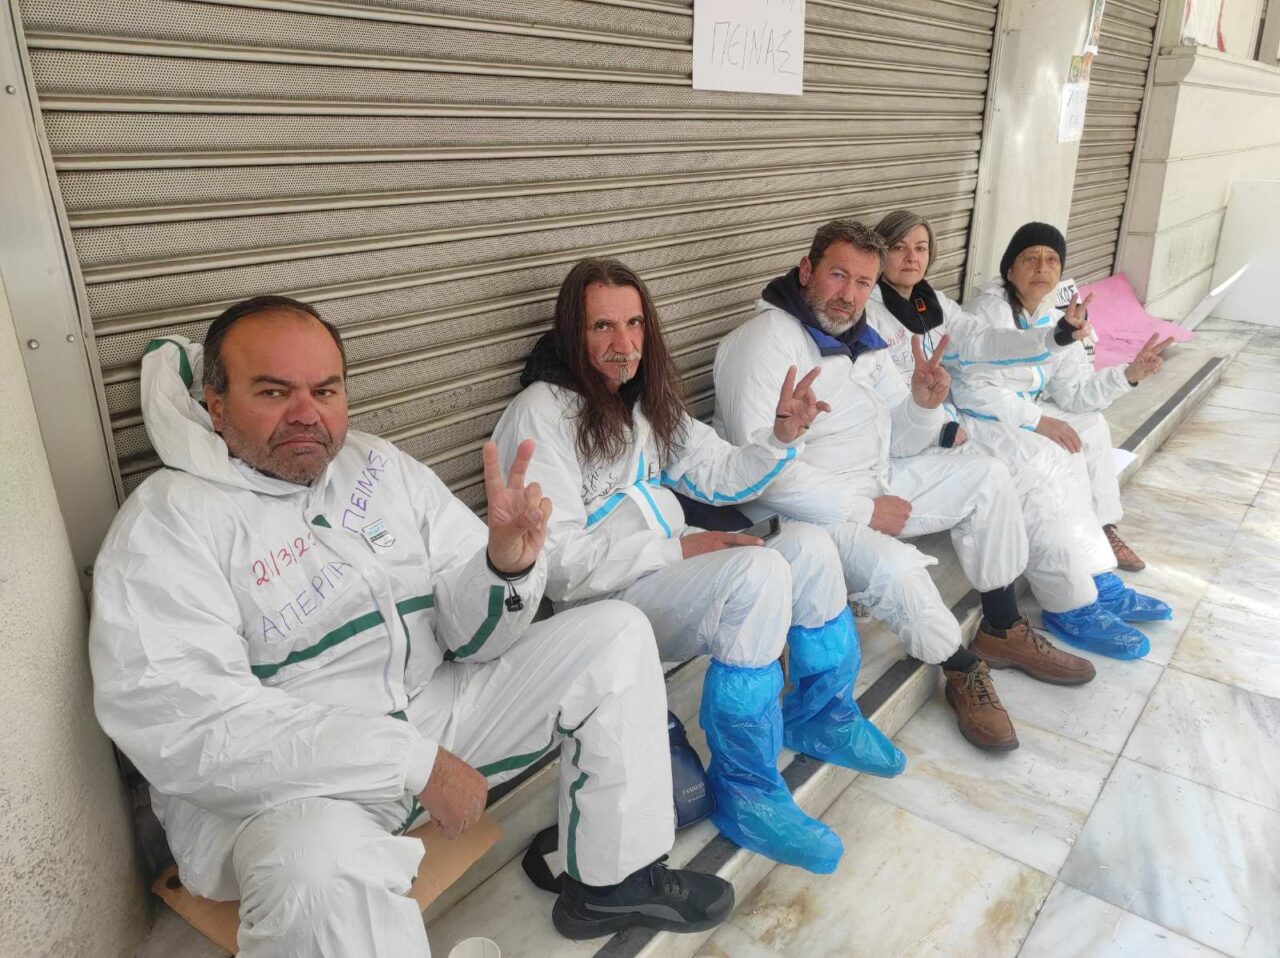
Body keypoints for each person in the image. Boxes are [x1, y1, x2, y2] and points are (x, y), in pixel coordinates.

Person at [88, 296, 734, 956]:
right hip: (294, 798)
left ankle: (612, 883)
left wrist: (504, 568)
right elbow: (190, 727)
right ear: (217, 404)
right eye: (274, 392)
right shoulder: (167, 524)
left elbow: (468, 632)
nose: (306, 413)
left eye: (325, 390)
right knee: (318, 868)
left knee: (617, 634)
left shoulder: (376, 468)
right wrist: (406, 761)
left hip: (433, 717)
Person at [492, 258, 903, 876]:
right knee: (759, 575)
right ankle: (748, 791)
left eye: (634, 324)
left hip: (668, 574)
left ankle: (822, 716)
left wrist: (780, 438)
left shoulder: (641, 404)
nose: (624, 344)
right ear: (572, 332)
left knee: (810, 548)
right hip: (608, 609)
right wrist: (678, 550)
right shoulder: (540, 415)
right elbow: (558, 568)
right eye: (603, 326)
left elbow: (718, 472)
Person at [714, 219, 1100, 754]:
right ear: (806, 271)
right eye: (837, 276)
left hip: (878, 478)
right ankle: (960, 665)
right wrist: (862, 511)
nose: (849, 295)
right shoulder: (761, 344)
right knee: (896, 569)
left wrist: (921, 404)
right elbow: (757, 472)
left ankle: (1002, 625)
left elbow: (901, 435)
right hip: (812, 509)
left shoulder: (861, 339)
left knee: (988, 474)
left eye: (862, 283)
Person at [863, 210, 1169, 659]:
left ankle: (1089, 582)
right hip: (912, 442)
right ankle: (1066, 607)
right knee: (1026, 477)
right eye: (899, 248)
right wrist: (951, 425)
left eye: (921, 248)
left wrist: (1055, 338)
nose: (911, 257)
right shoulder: (866, 311)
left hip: (944, 425)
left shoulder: (934, 302)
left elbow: (985, 342)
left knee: (1056, 459)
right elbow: (895, 394)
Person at [960, 222, 1175, 574]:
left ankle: (1103, 527)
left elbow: (1075, 392)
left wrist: (1129, 374)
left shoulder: (1055, 317)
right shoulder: (984, 314)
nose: (1041, 268)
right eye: (1030, 259)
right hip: (983, 417)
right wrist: (1038, 421)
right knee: (1056, 450)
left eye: (1051, 260)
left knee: (1091, 424)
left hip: (1025, 409)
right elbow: (970, 388)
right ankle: (1073, 554)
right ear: (1010, 270)